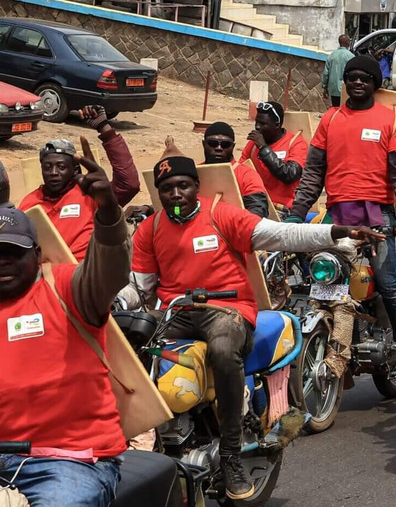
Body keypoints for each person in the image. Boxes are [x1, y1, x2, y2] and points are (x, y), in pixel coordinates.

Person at [133, 153, 381, 500]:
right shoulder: (151, 228)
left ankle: (231, 454)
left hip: (227, 308)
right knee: (132, 342)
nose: (176, 194)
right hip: (177, 312)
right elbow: (141, 286)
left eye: (183, 186)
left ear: (196, 187)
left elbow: (281, 234)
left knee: (222, 349)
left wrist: (336, 232)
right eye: (168, 189)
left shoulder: (221, 214)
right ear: (159, 193)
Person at [0, 162, 129, 507]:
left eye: (13, 252)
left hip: (70, 459)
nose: (3, 262)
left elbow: (109, 270)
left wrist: (108, 213)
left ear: (36, 255)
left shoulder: (68, 287)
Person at [289, 54, 396, 355]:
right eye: (352, 77)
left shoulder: (391, 119)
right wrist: (296, 213)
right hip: (337, 215)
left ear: (376, 83)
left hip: (378, 215)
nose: (358, 82)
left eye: (365, 78)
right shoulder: (330, 118)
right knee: (319, 279)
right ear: (344, 82)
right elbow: (313, 173)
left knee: (387, 283)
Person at [17, 106, 140, 260]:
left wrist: (104, 129)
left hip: (85, 275)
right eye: (47, 167)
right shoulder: (30, 202)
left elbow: (129, 184)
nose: (53, 172)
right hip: (45, 276)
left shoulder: (92, 194)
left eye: (61, 167)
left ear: (75, 169)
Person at [238, 101, 307, 215]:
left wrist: (264, 148)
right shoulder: (253, 144)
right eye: (256, 122)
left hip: (283, 210)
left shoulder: (296, 143)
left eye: (263, 124)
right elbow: (240, 170)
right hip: (256, 205)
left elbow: (289, 174)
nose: (257, 127)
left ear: (277, 125)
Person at [199, 123, 269, 217]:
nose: (219, 148)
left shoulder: (247, 174)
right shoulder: (194, 173)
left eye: (225, 145)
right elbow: (177, 208)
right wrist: (177, 213)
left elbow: (258, 210)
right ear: (204, 144)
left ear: (233, 146)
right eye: (213, 143)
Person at [322, 34, 356, 107]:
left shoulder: (331, 56)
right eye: (349, 41)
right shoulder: (351, 56)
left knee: (335, 109)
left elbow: (326, 73)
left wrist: (325, 87)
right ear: (347, 43)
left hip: (333, 89)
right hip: (346, 89)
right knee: (345, 110)